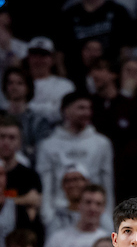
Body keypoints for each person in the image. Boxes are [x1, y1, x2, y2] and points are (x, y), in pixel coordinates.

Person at [36, 91, 114, 224]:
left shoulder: (101, 143)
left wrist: (108, 215)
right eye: (81, 108)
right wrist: (47, 216)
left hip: (95, 212)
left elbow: (107, 183)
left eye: (89, 108)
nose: (87, 113)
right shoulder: (48, 145)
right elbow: (46, 185)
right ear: (66, 111)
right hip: (59, 213)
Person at [40, 184, 111, 247]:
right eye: (88, 202)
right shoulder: (57, 239)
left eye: (98, 204)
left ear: (103, 209)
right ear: (79, 205)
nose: (92, 208)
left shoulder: (109, 242)